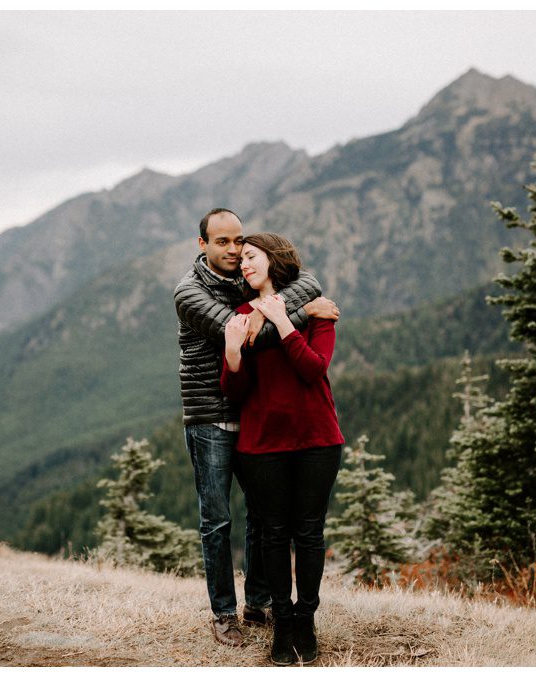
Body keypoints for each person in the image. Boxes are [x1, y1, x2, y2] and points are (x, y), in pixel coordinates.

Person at [170, 207, 338, 647]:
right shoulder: (189, 293)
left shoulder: (247, 282)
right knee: (218, 519)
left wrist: (273, 306)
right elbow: (247, 336)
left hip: (252, 415)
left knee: (266, 519)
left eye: (238, 242)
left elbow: (308, 282)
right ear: (201, 244)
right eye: (221, 242)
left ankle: (260, 604)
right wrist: (295, 315)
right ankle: (224, 614)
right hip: (210, 414)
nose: (233, 251)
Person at [221, 232, 345, 666]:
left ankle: (305, 622)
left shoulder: (318, 312)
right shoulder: (240, 315)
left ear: (274, 259)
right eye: (242, 262)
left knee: (308, 532)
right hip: (262, 443)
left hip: (316, 438)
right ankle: (283, 621)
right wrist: (233, 352)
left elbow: (314, 370)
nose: (244, 265)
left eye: (251, 258)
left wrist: (286, 321)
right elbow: (236, 391)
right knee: (273, 534)